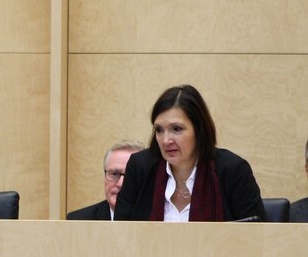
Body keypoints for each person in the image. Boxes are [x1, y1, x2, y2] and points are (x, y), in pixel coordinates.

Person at [114, 85, 266, 222]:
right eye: (159, 130)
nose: (166, 140)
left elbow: (256, 240)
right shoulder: (140, 167)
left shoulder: (233, 171)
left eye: (177, 129)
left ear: (199, 130)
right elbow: (120, 236)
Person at [67, 140, 145, 220]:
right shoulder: (78, 221)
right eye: (114, 174)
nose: (120, 184)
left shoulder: (156, 220)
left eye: (130, 176)